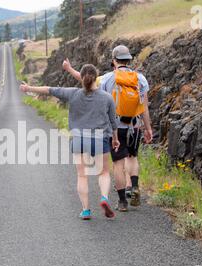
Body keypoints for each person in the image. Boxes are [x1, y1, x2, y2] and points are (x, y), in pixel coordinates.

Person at [20, 64, 120, 220]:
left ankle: (86, 210)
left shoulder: (73, 94)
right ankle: (104, 198)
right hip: (100, 139)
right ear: (96, 77)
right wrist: (115, 139)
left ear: (81, 77)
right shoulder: (107, 97)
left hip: (79, 140)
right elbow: (113, 122)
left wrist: (29, 88)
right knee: (104, 172)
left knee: (82, 176)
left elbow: (49, 89)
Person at [62, 45, 153, 213]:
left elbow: (87, 82)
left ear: (114, 61)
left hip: (115, 127)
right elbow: (144, 107)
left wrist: (69, 69)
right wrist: (147, 128)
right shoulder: (140, 79)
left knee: (118, 163)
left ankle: (122, 202)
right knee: (132, 157)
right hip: (134, 125)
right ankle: (133, 186)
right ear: (129, 60)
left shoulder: (107, 78)